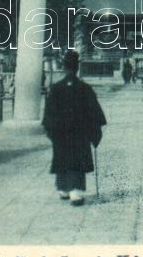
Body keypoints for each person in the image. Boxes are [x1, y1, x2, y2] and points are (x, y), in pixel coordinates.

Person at [42, 51, 107, 206]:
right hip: (80, 133)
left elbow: (49, 114)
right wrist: (94, 133)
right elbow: (94, 113)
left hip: (60, 132)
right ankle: (75, 191)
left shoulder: (56, 88)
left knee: (61, 157)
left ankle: (63, 188)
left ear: (64, 67)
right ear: (77, 68)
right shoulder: (85, 88)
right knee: (77, 160)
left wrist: (51, 130)